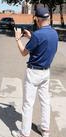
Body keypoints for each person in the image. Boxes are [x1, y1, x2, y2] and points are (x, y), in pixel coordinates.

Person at [12, 7, 58, 137]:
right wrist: (31, 36)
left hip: (33, 73)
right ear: (48, 18)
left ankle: (24, 133)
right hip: (46, 72)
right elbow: (43, 44)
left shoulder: (38, 35)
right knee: (45, 101)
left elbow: (23, 53)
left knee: (28, 104)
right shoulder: (54, 33)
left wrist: (18, 39)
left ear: (37, 19)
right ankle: (45, 130)